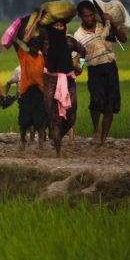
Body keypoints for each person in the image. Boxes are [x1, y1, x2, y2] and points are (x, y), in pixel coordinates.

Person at [73, 0, 128, 145]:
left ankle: (103, 138)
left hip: (110, 67)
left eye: (91, 15)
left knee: (110, 105)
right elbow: (81, 56)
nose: (89, 18)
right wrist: (79, 68)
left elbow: (123, 39)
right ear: (80, 16)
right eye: (86, 16)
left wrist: (113, 23)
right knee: (96, 102)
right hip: (94, 70)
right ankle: (96, 130)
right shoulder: (78, 36)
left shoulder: (104, 25)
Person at [41, 19, 86, 158]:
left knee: (71, 115)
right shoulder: (44, 41)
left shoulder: (69, 41)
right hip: (50, 81)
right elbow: (26, 38)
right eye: (56, 25)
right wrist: (38, 19)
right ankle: (58, 150)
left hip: (68, 80)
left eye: (61, 26)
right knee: (52, 114)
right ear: (50, 27)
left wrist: (77, 61)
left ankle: (59, 135)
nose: (59, 28)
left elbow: (83, 51)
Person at [12, 37, 47, 151]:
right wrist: (14, 37)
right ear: (29, 47)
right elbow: (16, 45)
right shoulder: (24, 56)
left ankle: (41, 143)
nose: (34, 49)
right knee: (24, 119)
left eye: (36, 47)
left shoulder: (42, 59)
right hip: (26, 92)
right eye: (32, 47)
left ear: (38, 48)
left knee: (40, 119)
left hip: (39, 92)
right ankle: (22, 140)